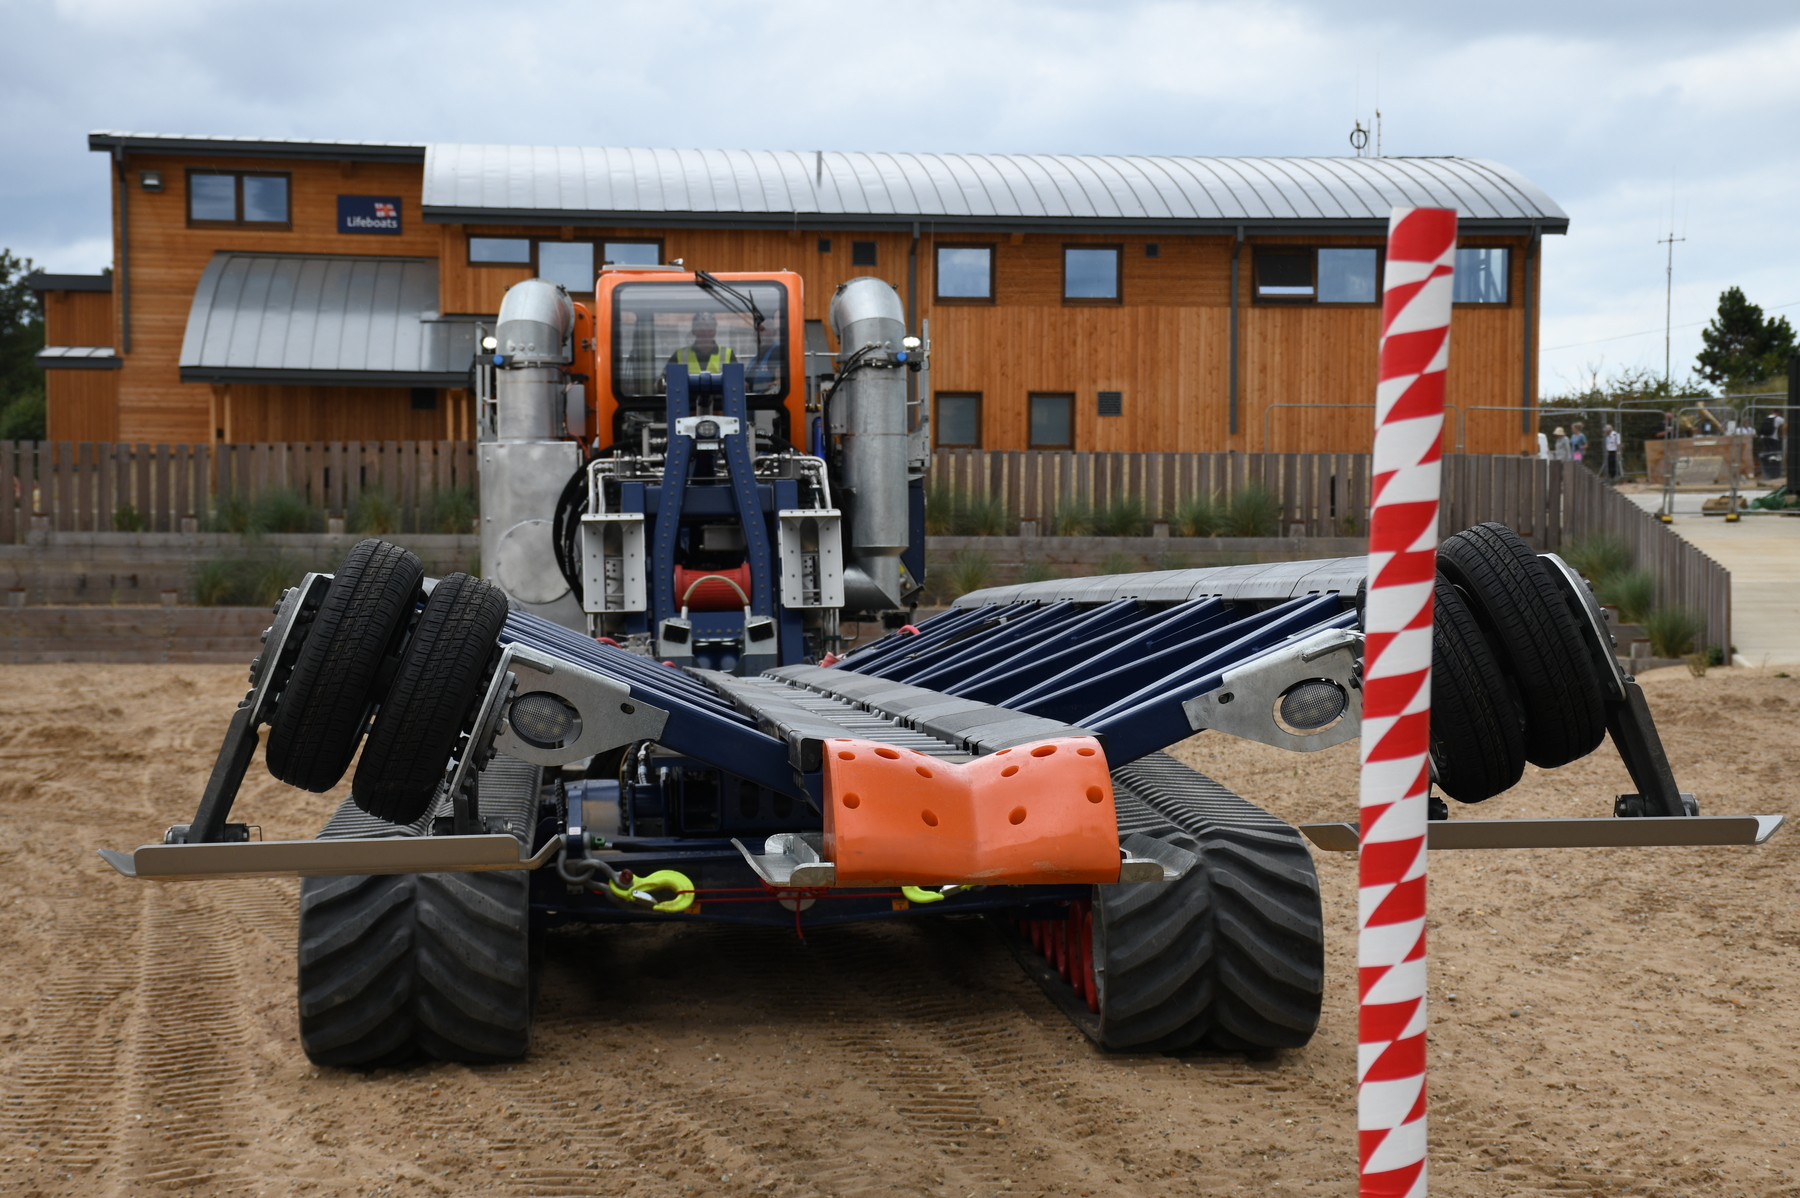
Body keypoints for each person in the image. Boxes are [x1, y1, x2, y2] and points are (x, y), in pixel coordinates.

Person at [666, 312, 735, 379]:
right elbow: (664, 380)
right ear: (694, 331)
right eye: (702, 331)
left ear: (715, 332)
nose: (706, 335)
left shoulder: (728, 354)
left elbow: (736, 380)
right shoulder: (679, 355)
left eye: (710, 331)